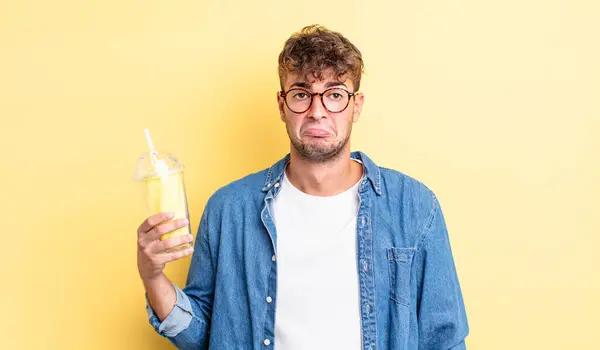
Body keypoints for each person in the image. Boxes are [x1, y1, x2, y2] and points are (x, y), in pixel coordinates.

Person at [137, 24, 469, 350]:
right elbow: (204, 335)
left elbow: (445, 339)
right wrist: (152, 277)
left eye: (335, 95)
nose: (317, 111)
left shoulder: (413, 206)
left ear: (357, 105)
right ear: (282, 105)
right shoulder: (229, 210)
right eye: (301, 95)